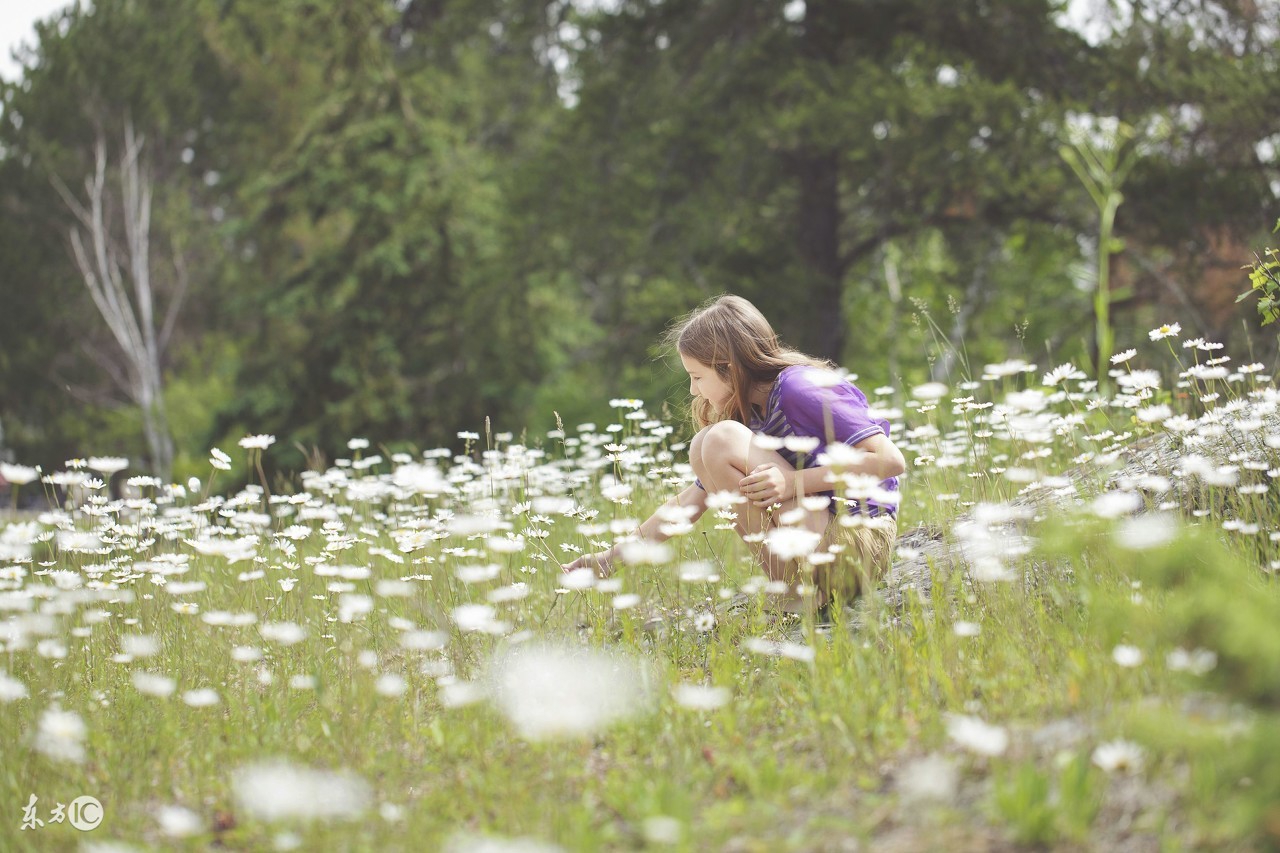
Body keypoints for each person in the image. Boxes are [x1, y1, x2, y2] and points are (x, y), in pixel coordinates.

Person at [562, 294, 905, 616]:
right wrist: (610, 559)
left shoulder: (800, 389)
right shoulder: (750, 413)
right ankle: (793, 592)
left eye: (697, 376)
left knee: (718, 439)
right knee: (705, 444)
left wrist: (792, 482)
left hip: (857, 543)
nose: (694, 389)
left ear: (731, 368)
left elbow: (890, 460)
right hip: (822, 544)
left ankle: (796, 594)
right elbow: (692, 502)